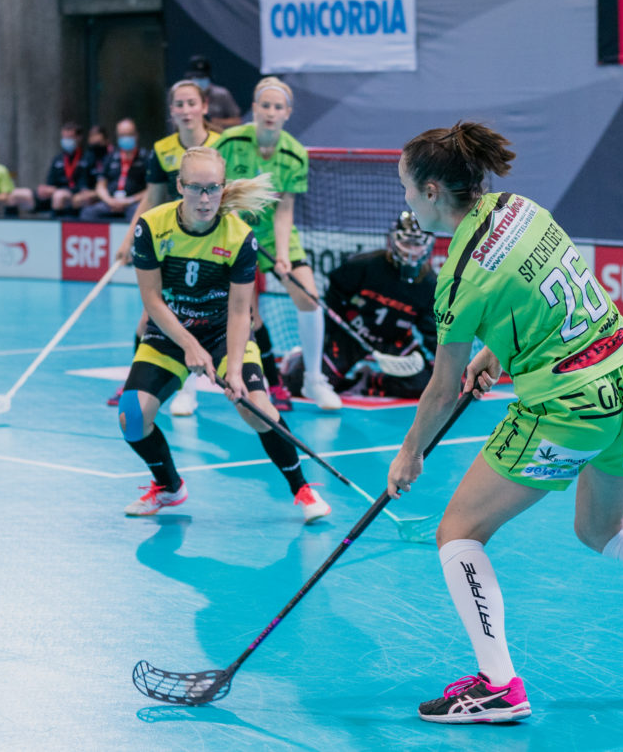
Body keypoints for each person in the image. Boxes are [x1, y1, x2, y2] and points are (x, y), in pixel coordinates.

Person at [384, 122, 623, 725]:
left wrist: (410, 453)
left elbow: (441, 390)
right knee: (602, 529)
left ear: (435, 190)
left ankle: (498, 686)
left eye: (408, 188)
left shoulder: (459, 278)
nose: (406, 201)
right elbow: (550, 289)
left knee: (458, 532)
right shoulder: (520, 210)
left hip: (569, 405)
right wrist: (502, 351)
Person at [118, 145, 331, 524]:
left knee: (259, 412)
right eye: (196, 188)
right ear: (180, 186)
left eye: (213, 188)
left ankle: (302, 488)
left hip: (222, 335)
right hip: (170, 334)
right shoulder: (151, 226)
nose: (205, 198)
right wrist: (188, 345)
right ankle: (169, 488)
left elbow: (239, 312)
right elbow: (151, 300)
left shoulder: (239, 237)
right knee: (132, 416)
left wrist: (233, 370)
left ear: (223, 188)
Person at [217, 77, 341, 412]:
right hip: (233, 234)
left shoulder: (294, 153)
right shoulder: (230, 141)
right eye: (265, 106)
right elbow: (216, 189)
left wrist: (283, 257)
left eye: (277, 107)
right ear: (254, 109)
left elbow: (285, 210)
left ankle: (314, 380)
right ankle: (191, 384)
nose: (270, 112)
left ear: (287, 112)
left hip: (273, 235)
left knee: (308, 296)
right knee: (233, 308)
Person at [113, 80, 222, 416]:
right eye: (179, 104)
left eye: (192, 103)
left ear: (204, 106)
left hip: (215, 247)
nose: (186, 110)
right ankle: (151, 384)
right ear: (172, 111)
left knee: (208, 316)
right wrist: (130, 236)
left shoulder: (225, 144)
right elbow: (153, 198)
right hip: (171, 246)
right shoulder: (162, 150)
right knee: (151, 316)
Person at [283, 211, 437, 400]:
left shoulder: (430, 285)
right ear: (393, 240)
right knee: (299, 384)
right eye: (406, 243)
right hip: (353, 335)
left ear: (428, 246)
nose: (411, 250)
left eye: (417, 244)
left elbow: (431, 330)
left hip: (394, 341)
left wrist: (450, 365)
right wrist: (326, 338)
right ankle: (299, 359)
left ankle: (367, 380)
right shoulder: (365, 265)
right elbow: (333, 298)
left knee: (425, 387)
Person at [80, 118, 150, 221]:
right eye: (122, 135)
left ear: (136, 135)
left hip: (133, 203)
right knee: (88, 212)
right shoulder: (111, 157)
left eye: (129, 134)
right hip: (111, 201)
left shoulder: (145, 157)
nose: (126, 138)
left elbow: (151, 190)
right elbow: (100, 186)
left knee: (138, 212)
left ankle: (130, 237)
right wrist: (109, 200)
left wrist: (129, 200)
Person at [39, 123, 97, 216]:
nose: (66, 141)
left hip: (80, 193)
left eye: (70, 137)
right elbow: (50, 183)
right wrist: (46, 189)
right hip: (59, 191)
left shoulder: (88, 157)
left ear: (78, 138)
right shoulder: (58, 159)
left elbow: (93, 184)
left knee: (60, 196)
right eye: (64, 138)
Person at [185, 55, 241, 129]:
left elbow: (237, 121)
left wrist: (215, 122)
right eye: (196, 77)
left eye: (202, 77)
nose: (199, 81)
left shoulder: (222, 94)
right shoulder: (184, 96)